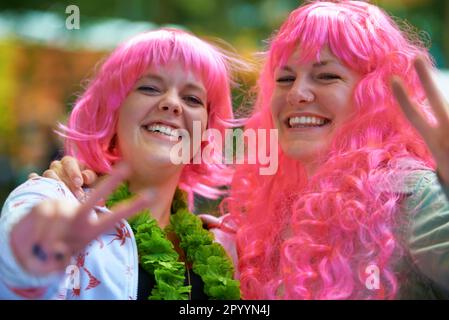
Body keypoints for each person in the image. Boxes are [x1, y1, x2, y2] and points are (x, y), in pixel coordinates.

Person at [35, 1, 449, 300]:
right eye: (285, 79)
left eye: (326, 77)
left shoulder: (408, 195)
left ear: (372, 94)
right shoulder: (254, 228)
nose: (299, 94)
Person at [0, 28, 243, 300]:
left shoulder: (229, 246)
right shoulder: (55, 200)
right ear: (112, 111)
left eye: (192, 99)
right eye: (150, 88)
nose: (172, 104)